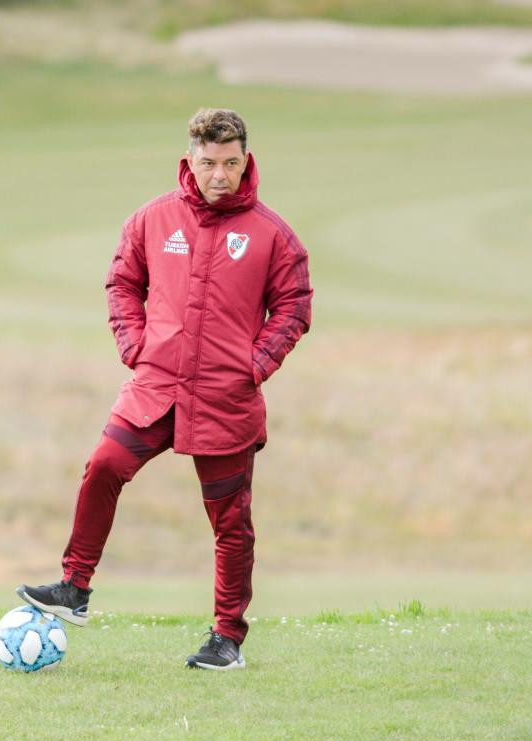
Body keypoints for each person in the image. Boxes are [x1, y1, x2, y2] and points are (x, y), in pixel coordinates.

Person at [17, 108, 313, 670]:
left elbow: (295, 304)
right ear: (190, 161)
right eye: (208, 163)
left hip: (226, 400)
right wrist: (134, 346)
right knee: (104, 465)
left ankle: (227, 639)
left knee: (230, 523)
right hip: (157, 388)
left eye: (230, 162)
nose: (219, 175)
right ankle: (74, 589)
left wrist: (255, 364)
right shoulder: (153, 220)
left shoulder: (272, 234)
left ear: (246, 158)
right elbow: (122, 281)